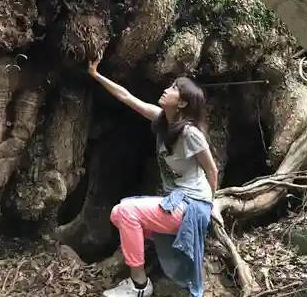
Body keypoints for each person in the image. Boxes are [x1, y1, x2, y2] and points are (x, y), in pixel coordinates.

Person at [88, 55, 218, 297]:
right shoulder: (161, 120)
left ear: (182, 104)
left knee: (127, 212)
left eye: (174, 89)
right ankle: (142, 273)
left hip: (192, 206)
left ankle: (139, 285)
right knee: (119, 213)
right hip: (177, 203)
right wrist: (96, 75)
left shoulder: (190, 134)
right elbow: (126, 97)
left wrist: (212, 204)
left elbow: (212, 169)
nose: (166, 90)